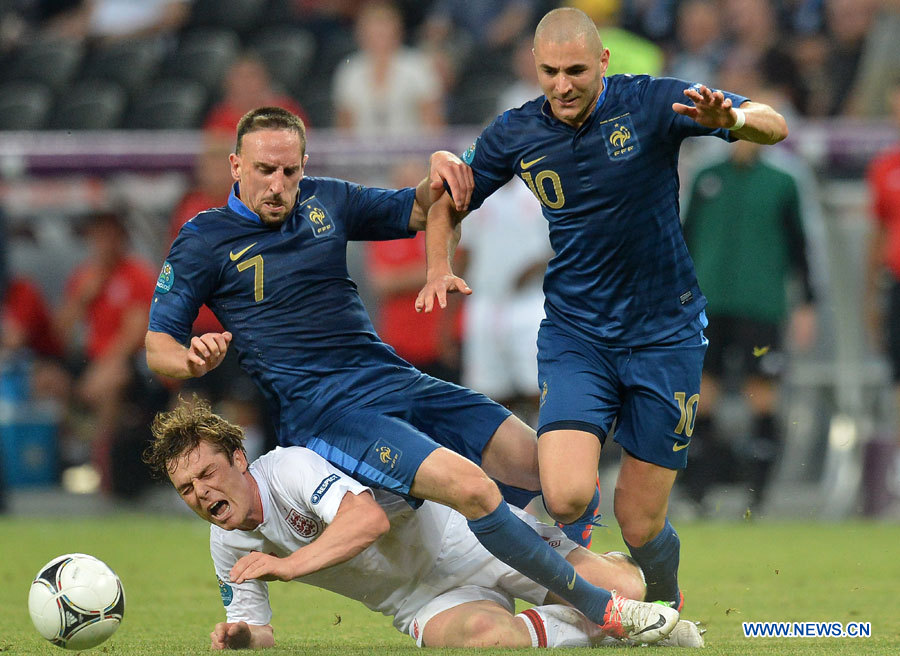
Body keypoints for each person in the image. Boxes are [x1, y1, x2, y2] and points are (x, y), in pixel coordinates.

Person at [144, 106, 679, 642]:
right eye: (264, 170)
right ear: (236, 165)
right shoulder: (203, 240)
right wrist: (189, 359)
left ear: (304, 165)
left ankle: (631, 585)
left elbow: (422, 208)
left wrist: (438, 175)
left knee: (562, 479)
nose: (278, 185)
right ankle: (604, 611)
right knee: (471, 489)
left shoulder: (327, 200)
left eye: (290, 171)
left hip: (394, 380)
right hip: (328, 414)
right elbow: (157, 345)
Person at [416, 6, 788, 615]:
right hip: (577, 334)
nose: (563, 85)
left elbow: (774, 124)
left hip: (666, 334)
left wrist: (738, 118)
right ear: (533, 68)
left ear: (605, 63)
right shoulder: (514, 131)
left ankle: (660, 593)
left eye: (577, 70)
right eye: (550, 71)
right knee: (564, 495)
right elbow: (447, 199)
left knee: (639, 523)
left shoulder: (650, 103)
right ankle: (584, 597)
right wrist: (438, 265)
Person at [142, 399, 706, 649]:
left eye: (208, 474)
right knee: (493, 640)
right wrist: (241, 637)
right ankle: (603, 631)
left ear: (239, 459)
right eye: (187, 488)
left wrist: (288, 566)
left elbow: (364, 520)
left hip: (471, 540)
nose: (201, 494)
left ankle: (608, 585)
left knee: (627, 590)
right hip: (416, 602)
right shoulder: (225, 540)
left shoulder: (288, 468)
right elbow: (257, 625)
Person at [680, 80, 817, 510]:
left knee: (763, 391)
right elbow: (683, 239)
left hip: (762, 303)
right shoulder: (706, 175)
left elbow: (801, 246)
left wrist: (807, 304)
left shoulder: (784, 181)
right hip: (708, 303)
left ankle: (759, 492)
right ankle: (698, 487)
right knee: (703, 392)